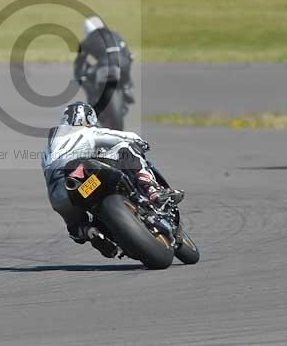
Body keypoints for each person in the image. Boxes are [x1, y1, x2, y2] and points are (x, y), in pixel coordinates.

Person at [41, 102, 184, 258]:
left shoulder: (48, 147)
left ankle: (91, 233)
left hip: (58, 192)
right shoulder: (86, 131)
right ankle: (152, 191)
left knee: (76, 226)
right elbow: (124, 137)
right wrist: (140, 143)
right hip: (83, 170)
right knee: (125, 148)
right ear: (89, 118)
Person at [73, 16, 134, 104]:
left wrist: (79, 75)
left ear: (87, 28)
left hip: (104, 66)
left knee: (85, 76)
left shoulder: (87, 41)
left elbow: (79, 61)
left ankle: (93, 97)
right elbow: (129, 54)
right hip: (123, 66)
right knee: (126, 65)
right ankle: (126, 87)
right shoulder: (115, 34)